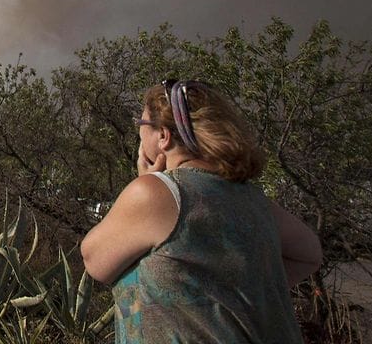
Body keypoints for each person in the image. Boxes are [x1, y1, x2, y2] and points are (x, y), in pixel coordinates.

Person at [81, 80, 322, 343]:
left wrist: (146, 184)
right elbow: (309, 254)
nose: (138, 134)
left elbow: (94, 260)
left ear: (163, 136)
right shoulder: (253, 198)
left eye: (142, 125)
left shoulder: (154, 193)